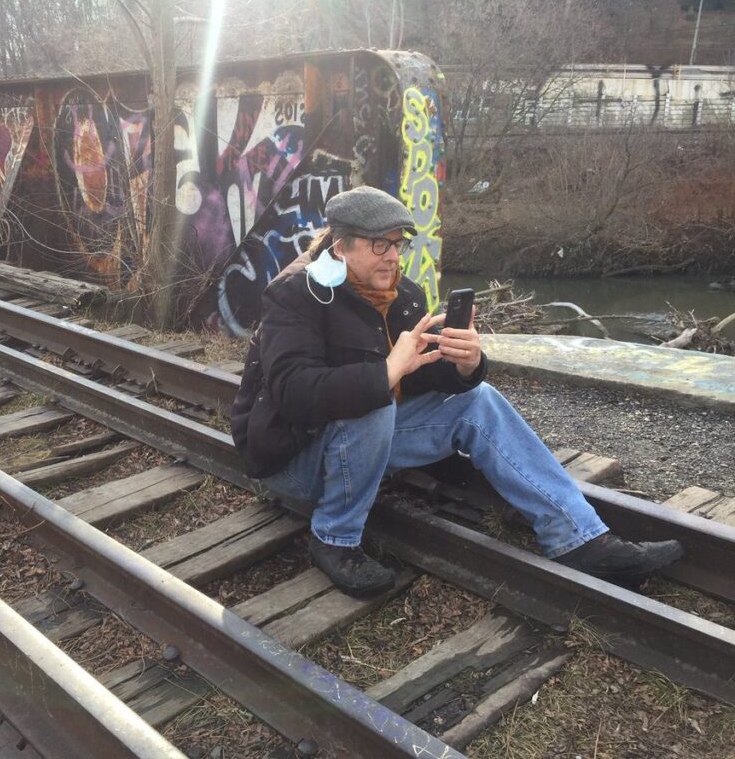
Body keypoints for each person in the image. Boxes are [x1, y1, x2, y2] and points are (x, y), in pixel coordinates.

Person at [231, 185, 684, 597]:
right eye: (378, 245)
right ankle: (335, 539)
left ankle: (578, 539)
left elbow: (419, 375)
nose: (392, 257)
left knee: (478, 400)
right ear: (340, 246)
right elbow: (294, 393)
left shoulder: (402, 295)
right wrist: (387, 371)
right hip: (293, 458)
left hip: (360, 444)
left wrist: (464, 365)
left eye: (398, 244)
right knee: (374, 401)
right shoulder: (295, 294)